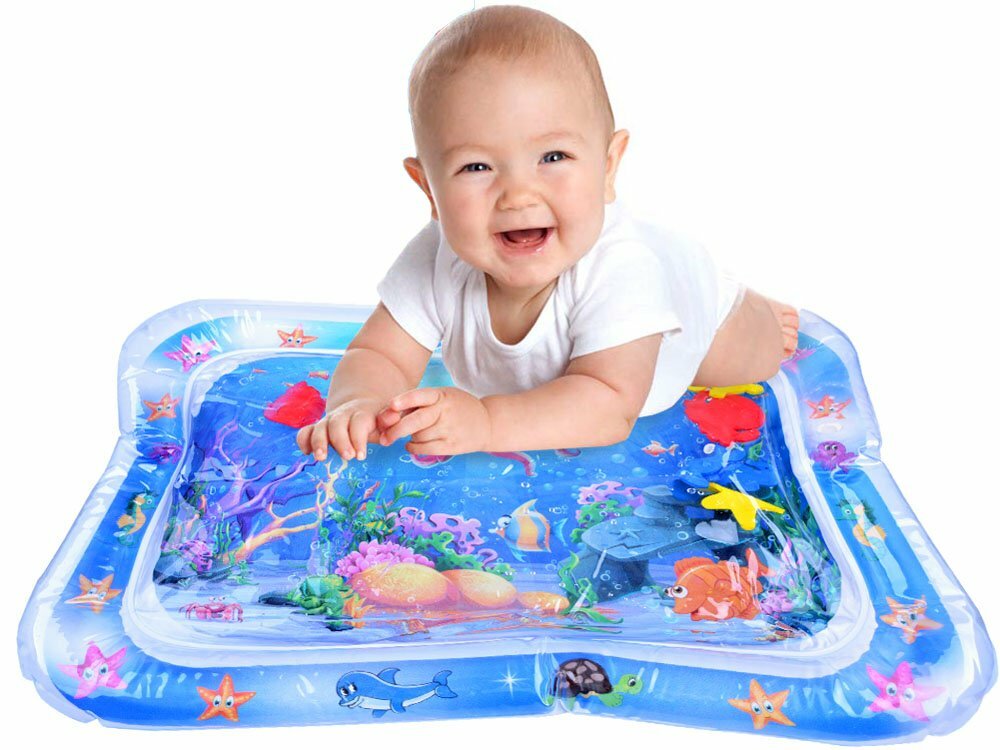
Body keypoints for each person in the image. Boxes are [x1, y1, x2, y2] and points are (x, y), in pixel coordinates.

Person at [296, 5, 798, 463]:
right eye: (476, 166)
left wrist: (486, 422)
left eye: (553, 157)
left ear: (607, 166)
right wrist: (359, 402)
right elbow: (380, 353)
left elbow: (608, 404)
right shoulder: (436, 257)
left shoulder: (624, 271)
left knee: (744, 358)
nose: (518, 195)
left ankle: (755, 310)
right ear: (429, 188)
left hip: (694, 314)